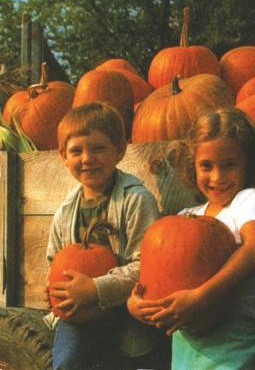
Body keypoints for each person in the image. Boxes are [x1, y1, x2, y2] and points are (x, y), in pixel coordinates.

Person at [127, 107, 255, 370]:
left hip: (236, 335)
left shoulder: (248, 200)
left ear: (248, 164)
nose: (217, 177)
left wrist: (199, 297)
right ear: (192, 166)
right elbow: (158, 275)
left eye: (229, 165)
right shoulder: (187, 216)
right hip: (186, 338)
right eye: (206, 166)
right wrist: (136, 304)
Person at [45, 102, 170, 370]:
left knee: (136, 359)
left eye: (98, 148)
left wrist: (96, 289)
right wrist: (54, 291)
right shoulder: (64, 212)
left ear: (120, 150)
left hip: (127, 309)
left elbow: (147, 266)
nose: (87, 158)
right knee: (67, 363)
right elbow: (54, 262)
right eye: (76, 151)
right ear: (63, 156)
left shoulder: (136, 201)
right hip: (80, 314)